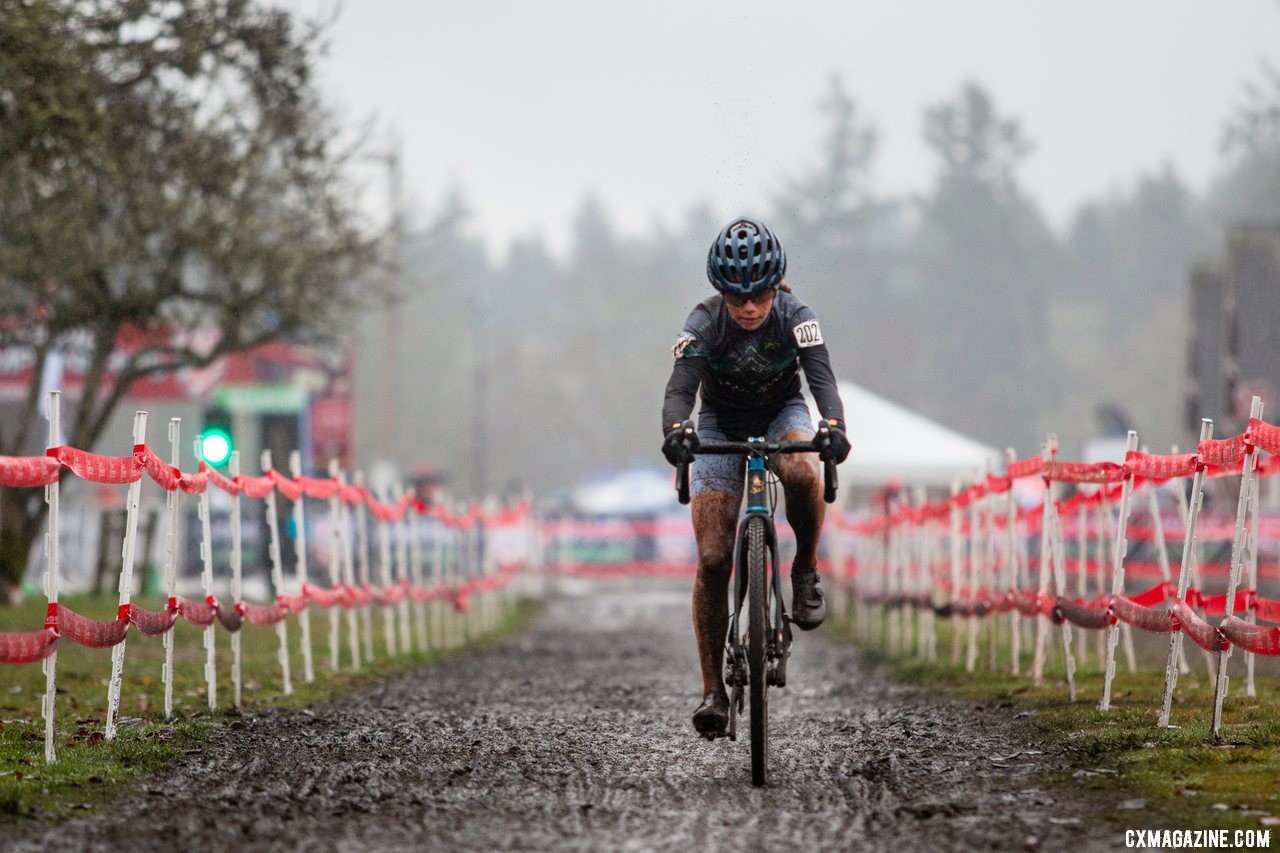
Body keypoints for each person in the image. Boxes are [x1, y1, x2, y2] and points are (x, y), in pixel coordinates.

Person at [660, 216, 850, 739]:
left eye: (759, 295)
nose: (748, 308)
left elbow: (821, 379)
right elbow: (680, 389)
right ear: (721, 293)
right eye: (737, 297)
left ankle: (805, 569)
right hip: (720, 421)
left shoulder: (797, 316)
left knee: (802, 468)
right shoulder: (702, 323)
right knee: (714, 555)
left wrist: (833, 426)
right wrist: (677, 430)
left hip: (781, 412)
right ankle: (712, 692)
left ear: (775, 287)